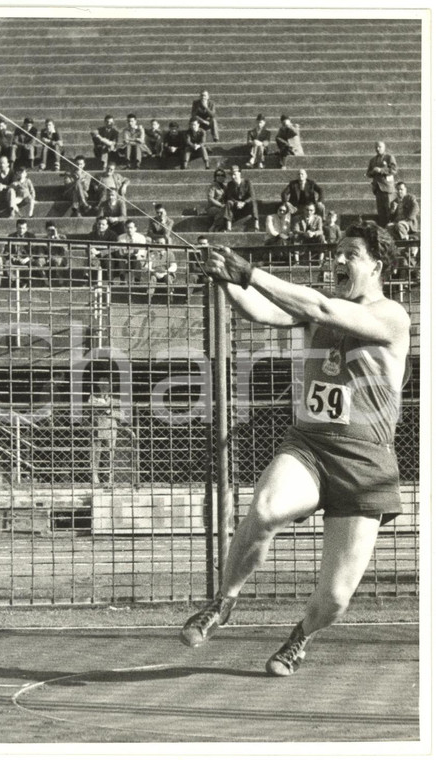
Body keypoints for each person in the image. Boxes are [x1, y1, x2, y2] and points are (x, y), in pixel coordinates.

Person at [180, 220, 410, 677]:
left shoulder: (391, 316)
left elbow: (321, 306)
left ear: (377, 266)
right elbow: (262, 312)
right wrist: (224, 277)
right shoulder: (316, 308)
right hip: (309, 446)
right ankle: (224, 602)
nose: (339, 260)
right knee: (264, 511)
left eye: (351, 254)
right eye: (337, 252)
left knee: (335, 598)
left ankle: (301, 636)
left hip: (365, 462)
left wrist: (250, 272)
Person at [88, 377, 126, 486]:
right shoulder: (92, 397)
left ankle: (109, 479)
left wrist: (109, 410)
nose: (104, 387)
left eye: (106, 384)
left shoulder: (116, 399)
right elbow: (91, 409)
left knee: (110, 455)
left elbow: (122, 415)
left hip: (111, 430)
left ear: (111, 386)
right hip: (97, 429)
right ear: (98, 386)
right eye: (102, 384)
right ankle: (94, 479)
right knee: (95, 454)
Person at [366, 141, 397, 227]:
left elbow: (394, 170)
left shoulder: (389, 157)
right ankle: (383, 230)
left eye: (380, 147)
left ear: (384, 148)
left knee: (388, 210)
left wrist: (381, 170)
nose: (377, 149)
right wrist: (373, 171)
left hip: (387, 188)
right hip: (377, 189)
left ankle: (389, 230)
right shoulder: (372, 160)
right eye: (376, 147)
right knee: (381, 212)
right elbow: (368, 173)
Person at [223, 165, 259, 232]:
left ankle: (256, 224)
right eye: (231, 175)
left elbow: (252, 196)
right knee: (229, 202)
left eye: (234, 174)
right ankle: (228, 226)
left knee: (253, 202)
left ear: (239, 173)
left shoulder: (247, 182)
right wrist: (237, 202)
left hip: (246, 206)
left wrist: (244, 202)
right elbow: (229, 196)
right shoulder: (230, 184)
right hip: (236, 207)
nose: (233, 177)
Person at [35, 220, 68, 287]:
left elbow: (65, 249)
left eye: (52, 230)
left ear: (56, 229)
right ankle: (46, 282)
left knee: (57, 261)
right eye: (48, 230)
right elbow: (41, 252)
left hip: (60, 258)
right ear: (46, 230)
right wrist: (44, 258)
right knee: (39, 261)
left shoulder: (62, 237)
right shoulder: (43, 239)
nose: (50, 232)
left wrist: (56, 237)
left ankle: (61, 282)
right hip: (47, 258)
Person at [6, 219, 37, 287]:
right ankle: (15, 281)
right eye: (19, 228)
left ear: (26, 228)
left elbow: (35, 251)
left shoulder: (31, 236)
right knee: (7, 263)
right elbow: (7, 250)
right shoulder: (11, 236)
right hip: (15, 258)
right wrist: (12, 257)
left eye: (23, 228)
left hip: (26, 258)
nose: (21, 230)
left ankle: (25, 281)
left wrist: (27, 258)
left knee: (31, 263)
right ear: (16, 228)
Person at [89, 216, 119, 282]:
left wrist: (100, 253)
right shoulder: (91, 234)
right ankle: (87, 280)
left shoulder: (113, 235)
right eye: (99, 224)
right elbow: (88, 246)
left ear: (107, 225)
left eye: (103, 224)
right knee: (88, 258)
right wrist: (91, 251)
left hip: (107, 255)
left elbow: (114, 248)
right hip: (95, 255)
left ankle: (110, 280)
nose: (100, 226)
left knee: (109, 258)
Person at [206, 168, 227, 232]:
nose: (220, 177)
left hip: (223, 207)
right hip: (212, 208)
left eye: (222, 175)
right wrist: (220, 205)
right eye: (218, 175)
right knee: (223, 211)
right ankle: (213, 227)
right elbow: (210, 198)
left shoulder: (225, 187)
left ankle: (218, 228)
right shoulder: (213, 186)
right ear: (215, 177)